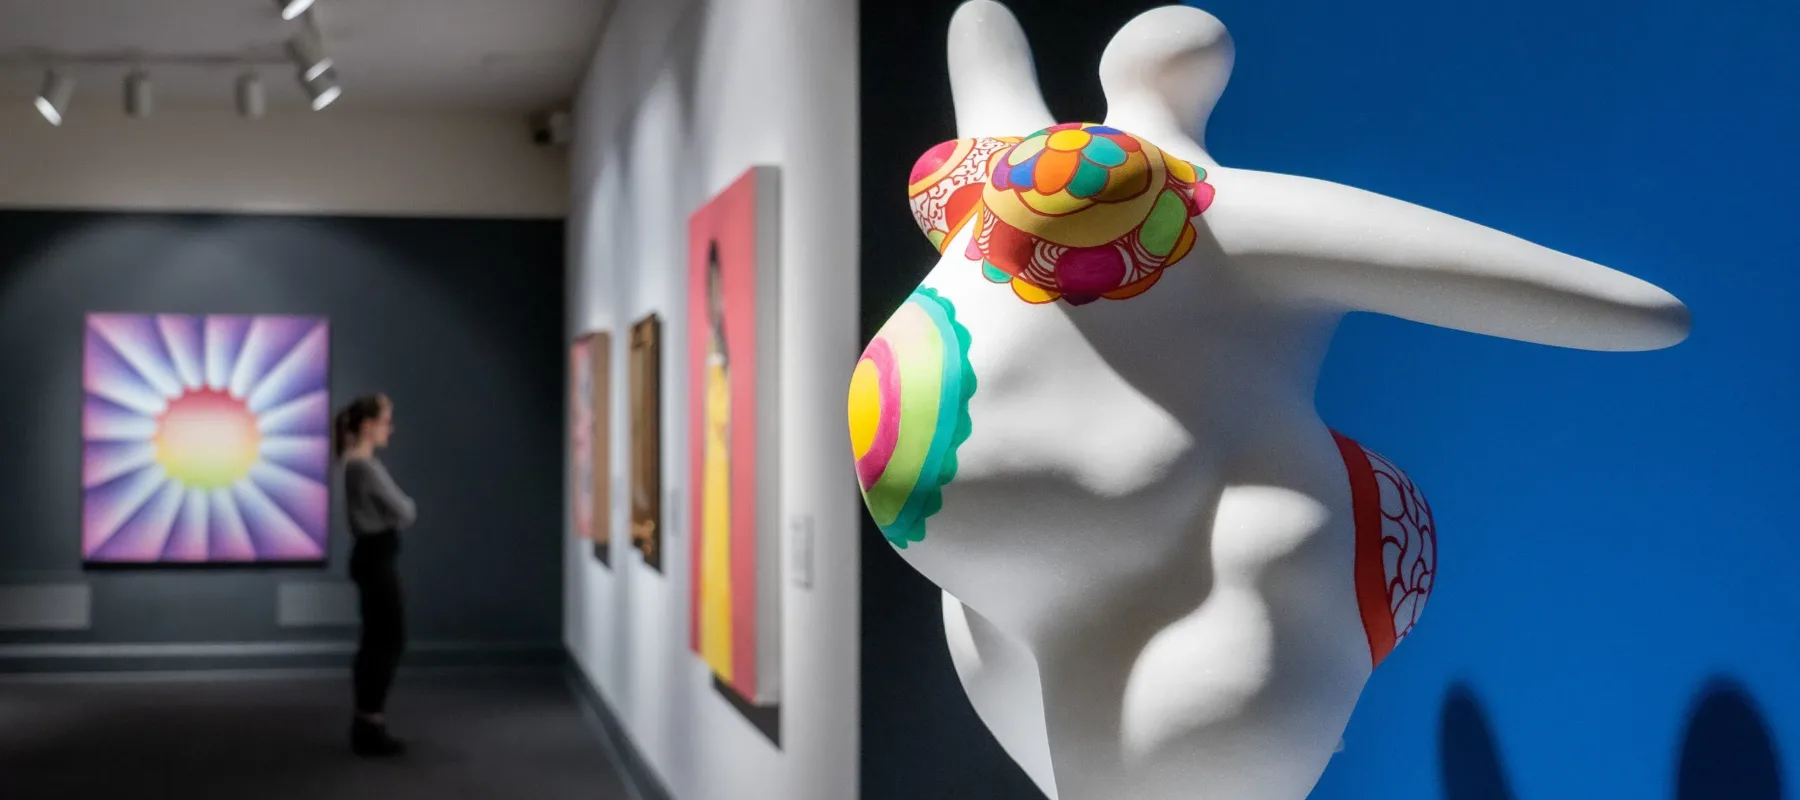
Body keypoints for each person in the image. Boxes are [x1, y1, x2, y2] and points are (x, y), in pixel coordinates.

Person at [333, 393, 415, 757]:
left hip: (372, 557)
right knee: (387, 640)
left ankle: (367, 722)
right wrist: (401, 512)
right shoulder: (364, 467)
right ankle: (370, 722)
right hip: (376, 558)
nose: (390, 429)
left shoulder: (355, 464)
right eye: (386, 421)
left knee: (378, 640)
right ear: (368, 425)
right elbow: (406, 510)